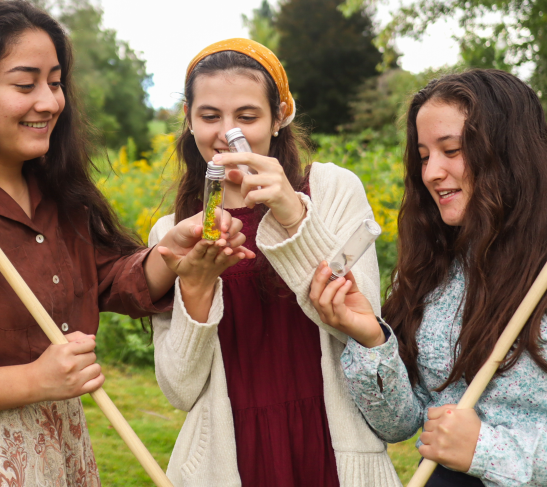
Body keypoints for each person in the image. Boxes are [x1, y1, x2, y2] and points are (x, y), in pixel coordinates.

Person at [0, 0, 252, 486]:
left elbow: (98, 278)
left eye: (55, 82)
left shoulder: (56, 191)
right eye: (25, 84)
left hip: (61, 449)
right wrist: (30, 381)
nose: (50, 101)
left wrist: (170, 260)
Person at [309, 69, 547, 486]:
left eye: (451, 150)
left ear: (508, 153)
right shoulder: (436, 270)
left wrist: (487, 450)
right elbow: (402, 424)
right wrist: (371, 338)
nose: (431, 173)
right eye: (425, 156)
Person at [150, 38, 402, 487]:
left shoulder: (334, 191)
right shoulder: (172, 233)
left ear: (280, 116)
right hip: (231, 457)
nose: (228, 134)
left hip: (330, 445)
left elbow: (361, 326)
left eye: (247, 117)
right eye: (209, 116)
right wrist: (197, 289)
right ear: (188, 119)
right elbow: (180, 389)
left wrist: (293, 214)